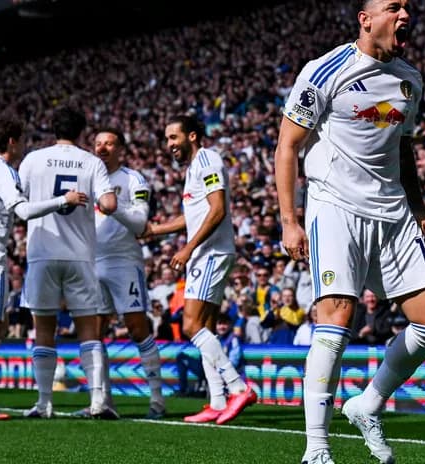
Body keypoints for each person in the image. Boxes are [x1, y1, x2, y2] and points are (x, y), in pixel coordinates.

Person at [275, 2, 425, 462]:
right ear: (365, 18)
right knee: (336, 317)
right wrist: (290, 220)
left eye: (408, 6)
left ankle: (367, 403)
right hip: (334, 205)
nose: (404, 13)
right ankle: (316, 448)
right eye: (393, 6)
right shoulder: (326, 69)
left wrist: (420, 206)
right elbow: (287, 145)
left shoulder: (410, 78)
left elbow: (403, 148)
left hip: (393, 210)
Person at [0, 119, 89, 421]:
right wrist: (62, 200)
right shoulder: (2, 172)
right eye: (22, 140)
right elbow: (23, 210)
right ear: (12, 142)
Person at [143, 115, 256, 424]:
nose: (169, 145)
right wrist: (156, 230)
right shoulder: (194, 168)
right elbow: (193, 217)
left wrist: (188, 248)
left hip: (210, 254)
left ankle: (238, 387)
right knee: (203, 327)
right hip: (206, 254)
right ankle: (218, 402)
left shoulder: (207, 159)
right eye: (167, 139)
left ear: (192, 136)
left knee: (191, 326)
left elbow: (218, 210)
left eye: (173, 138)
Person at [17, 109, 117, 420]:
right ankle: (98, 401)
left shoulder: (33, 159)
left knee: (44, 328)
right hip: (80, 255)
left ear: (52, 128)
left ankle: (44, 402)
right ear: (81, 131)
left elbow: (18, 201)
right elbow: (109, 205)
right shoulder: (92, 162)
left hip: (42, 252)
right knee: (89, 328)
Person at [92, 127, 165, 419]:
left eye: (109, 143)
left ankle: (157, 401)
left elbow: (139, 224)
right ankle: (103, 402)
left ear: (120, 149)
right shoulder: (86, 179)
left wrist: (113, 208)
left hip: (123, 261)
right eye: (98, 143)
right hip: (90, 262)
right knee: (93, 333)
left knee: (137, 328)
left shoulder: (133, 179)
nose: (102, 148)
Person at [175, 313, 242, 397]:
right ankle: (183, 390)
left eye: (225, 324)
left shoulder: (233, 339)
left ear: (230, 325)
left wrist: (221, 371)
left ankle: (200, 390)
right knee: (181, 357)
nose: (222, 327)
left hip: (222, 371)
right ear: (215, 325)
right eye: (220, 324)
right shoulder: (212, 337)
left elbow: (234, 360)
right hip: (207, 368)